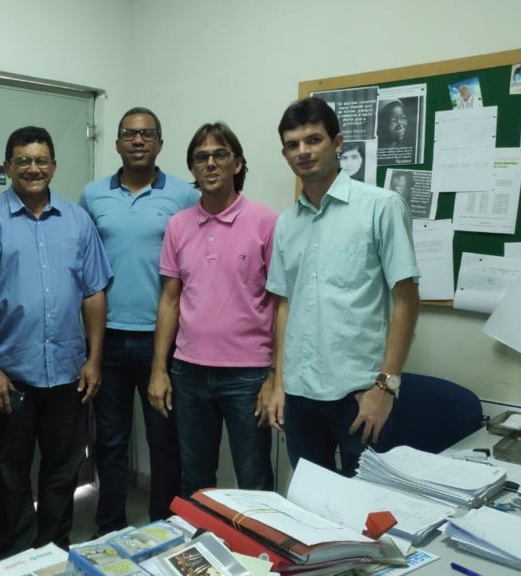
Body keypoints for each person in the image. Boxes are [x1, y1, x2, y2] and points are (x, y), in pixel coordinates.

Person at [0, 126, 112, 559]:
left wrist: (94, 359)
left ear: (53, 166)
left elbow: (94, 292)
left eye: (41, 160)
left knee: (62, 472)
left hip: (69, 371)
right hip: (12, 375)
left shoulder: (77, 220)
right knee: (11, 474)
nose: (33, 168)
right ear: (8, 166)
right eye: (23, 161)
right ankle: (13, 557)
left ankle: (53, 551)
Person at [262, 97, 420, 477]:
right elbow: (285, 306)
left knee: (365, 504)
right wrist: (279, 382)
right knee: (310, 501)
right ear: (285, 153)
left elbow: (406, 301)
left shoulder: (381, 207)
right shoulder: (286, 224)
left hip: (359, 394)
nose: (303, 151)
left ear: (337, 143)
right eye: (292, 144)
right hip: (300, 393)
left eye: (313, 140)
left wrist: (386, 388)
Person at [80, 107, 196, 534]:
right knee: (110, 441)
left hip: (162, 340)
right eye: (129, 133)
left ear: (160, 142)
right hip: (106, 339)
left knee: (164, 440)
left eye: (147, 134)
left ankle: (163, 525)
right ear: (117, 143)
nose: (138, 140)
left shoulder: (183, 195)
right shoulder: (93, 195)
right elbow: (82, 259)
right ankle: (110, 525)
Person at [148, 122, 278, 496]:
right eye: (200, 157)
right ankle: (201, 535)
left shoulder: (266, 222)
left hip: (248, 374)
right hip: (189, 372)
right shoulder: (178, 225)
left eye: (220, 154)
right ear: (192, 167)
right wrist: (159, 369)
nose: (210, 163)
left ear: (237, 163)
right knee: (195, 478)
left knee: (254, 479)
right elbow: (169, 299)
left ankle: (257, 537)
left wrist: (275, 376)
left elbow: (281, 303)